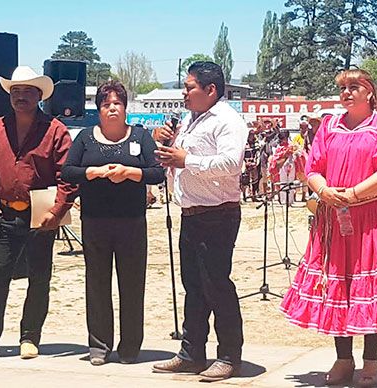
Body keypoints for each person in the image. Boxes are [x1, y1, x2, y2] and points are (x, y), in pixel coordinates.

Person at [280, 69, 377, 387]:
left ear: (369, 92)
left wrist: (351, 195)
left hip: (374, 216)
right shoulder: (329, 125)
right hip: (333, 215)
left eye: (354, 87)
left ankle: (371, 360)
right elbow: (314, 166)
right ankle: (343, 358)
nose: (347, 93)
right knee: (338, 283)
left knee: (371, 288)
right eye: (343, 88)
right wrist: (325, 191)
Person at [0, 66, 77, 360]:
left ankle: (30, 337)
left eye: (27, 91)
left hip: (41, 216)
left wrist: (58, 209)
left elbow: (68, 175)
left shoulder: (55, 130)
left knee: (39, 279)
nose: (21, 97)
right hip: (4, 214)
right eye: (16, 91)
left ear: (39, 95)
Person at [151, 61, 247, 382]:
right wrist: (165, 147)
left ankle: (230, 355)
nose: (184, 92)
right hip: (191, 214)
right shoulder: (190, 122)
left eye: (190, 86)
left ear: (211, 90)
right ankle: (192, 353)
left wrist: (185, 159)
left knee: (216, 284)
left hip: (218, 214)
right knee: (193, 286)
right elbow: (174, 163)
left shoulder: (228, 120)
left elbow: (231, 163)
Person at [61, 81, 165, 366]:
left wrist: (131, 172)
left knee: (132, 284)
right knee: (97, 283)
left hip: (132, 222)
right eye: (106, 104)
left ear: (126, 107)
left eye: (117, 103)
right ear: (99, 109)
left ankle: (130, 346)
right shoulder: (85, 137)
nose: (112, 109)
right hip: (95, 221)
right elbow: (68, 171)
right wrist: (92, 172)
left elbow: (157, 173)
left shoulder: (141, 137)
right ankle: (99, 345)